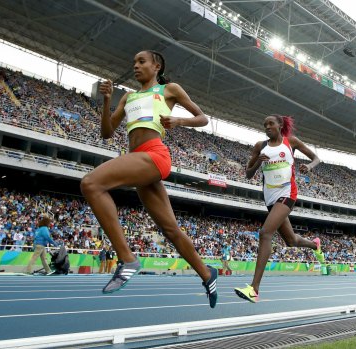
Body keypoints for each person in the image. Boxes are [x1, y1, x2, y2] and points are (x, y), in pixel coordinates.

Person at [80, 50, 217, 307]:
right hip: (138, 159)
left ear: (157, 66)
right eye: (133, 62)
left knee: (90, 183)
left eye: (141, 61)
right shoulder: (129, 97)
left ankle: (127, 258)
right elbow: (107, 133)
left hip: (155, 155)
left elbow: (203, 118)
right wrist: (108, 100)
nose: (135, 66)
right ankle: (207, 274)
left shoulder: (169, 90)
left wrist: (178, 120)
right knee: (170, 229)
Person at [234, 115, 324, 303]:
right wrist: (258, 161)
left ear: (280, 125)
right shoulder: (260, 146)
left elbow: (316, 158)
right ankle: (315, 244)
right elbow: (248, 174)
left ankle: (254, 289)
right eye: (264, 124)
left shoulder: (290, 142)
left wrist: (309, 165)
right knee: (291, 241)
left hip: (287, 193)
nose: (267, 127)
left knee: (265, 233)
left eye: (271, 124)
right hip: (269, 198)